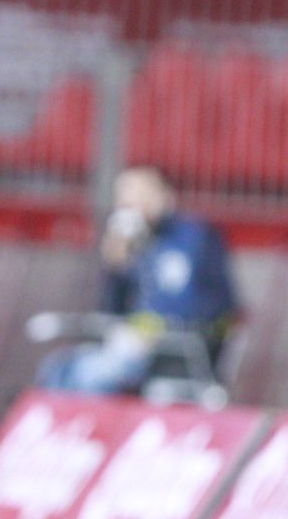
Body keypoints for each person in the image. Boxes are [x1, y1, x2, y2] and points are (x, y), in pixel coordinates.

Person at [35, 166, 237, 395]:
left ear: (164, 195)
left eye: (139, 192)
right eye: (124, 195)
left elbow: (213, 301)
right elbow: (112, 309)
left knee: (92, 376)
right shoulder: (133, 242)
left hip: (180, 349)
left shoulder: (196, 237)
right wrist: (116, 267)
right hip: (131, 344)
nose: (130, 202)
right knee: (57, 369)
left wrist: (160, 328)